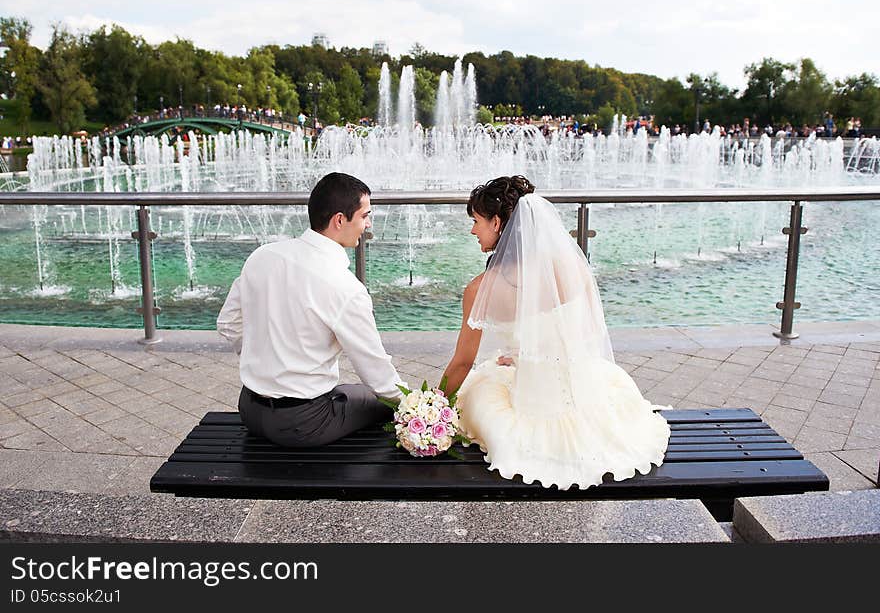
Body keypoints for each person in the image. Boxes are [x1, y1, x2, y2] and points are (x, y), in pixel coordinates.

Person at [441, 176, 670, 490]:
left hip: (531, 408)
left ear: (496, 222)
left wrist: (432, 406)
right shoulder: (571, 269)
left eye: (476, 221)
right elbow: (585, 333)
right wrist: (530, 353)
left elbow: (462, 363)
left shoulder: (480, 290)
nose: (472, 230)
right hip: (587, 395)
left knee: (479, 389)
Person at [217, 172, 406, 447]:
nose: (368, 224)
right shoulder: (344, 287)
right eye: (365, 216)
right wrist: (417, 407)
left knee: (352, 394)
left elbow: (228, 323)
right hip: (303, 424)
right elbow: (374, 369)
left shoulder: (263, 256)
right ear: (339, 220)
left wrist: (266, 367)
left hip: (250, 409)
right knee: (380, 400)